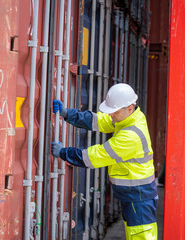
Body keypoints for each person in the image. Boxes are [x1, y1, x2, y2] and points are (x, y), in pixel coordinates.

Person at [51, 83, 158, 239]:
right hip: (135, 195)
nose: (110, 115)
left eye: (114, 111)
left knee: (140, 237)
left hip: (139, 197)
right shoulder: (129, 118)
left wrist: (63, 152)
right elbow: (99, 120)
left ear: (129, 108)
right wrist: (68, 114)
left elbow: (95, 156)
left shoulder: (130, 136)